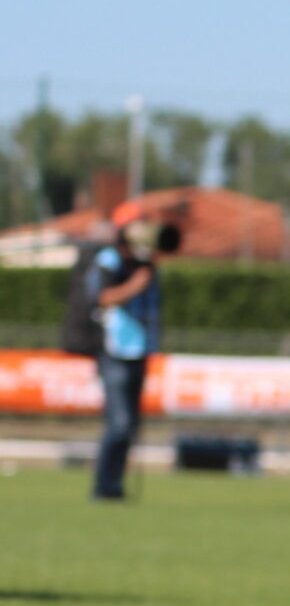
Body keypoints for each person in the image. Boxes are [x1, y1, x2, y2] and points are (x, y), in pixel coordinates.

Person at [89, 215, 178, 502]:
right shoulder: (108, 260)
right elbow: (101, 298)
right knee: (119, 422)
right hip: (114, 350)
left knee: (130, 425)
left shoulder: (145, 265)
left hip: (139, 351)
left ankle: (114, 487)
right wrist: (134, 287)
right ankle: (102, 486)